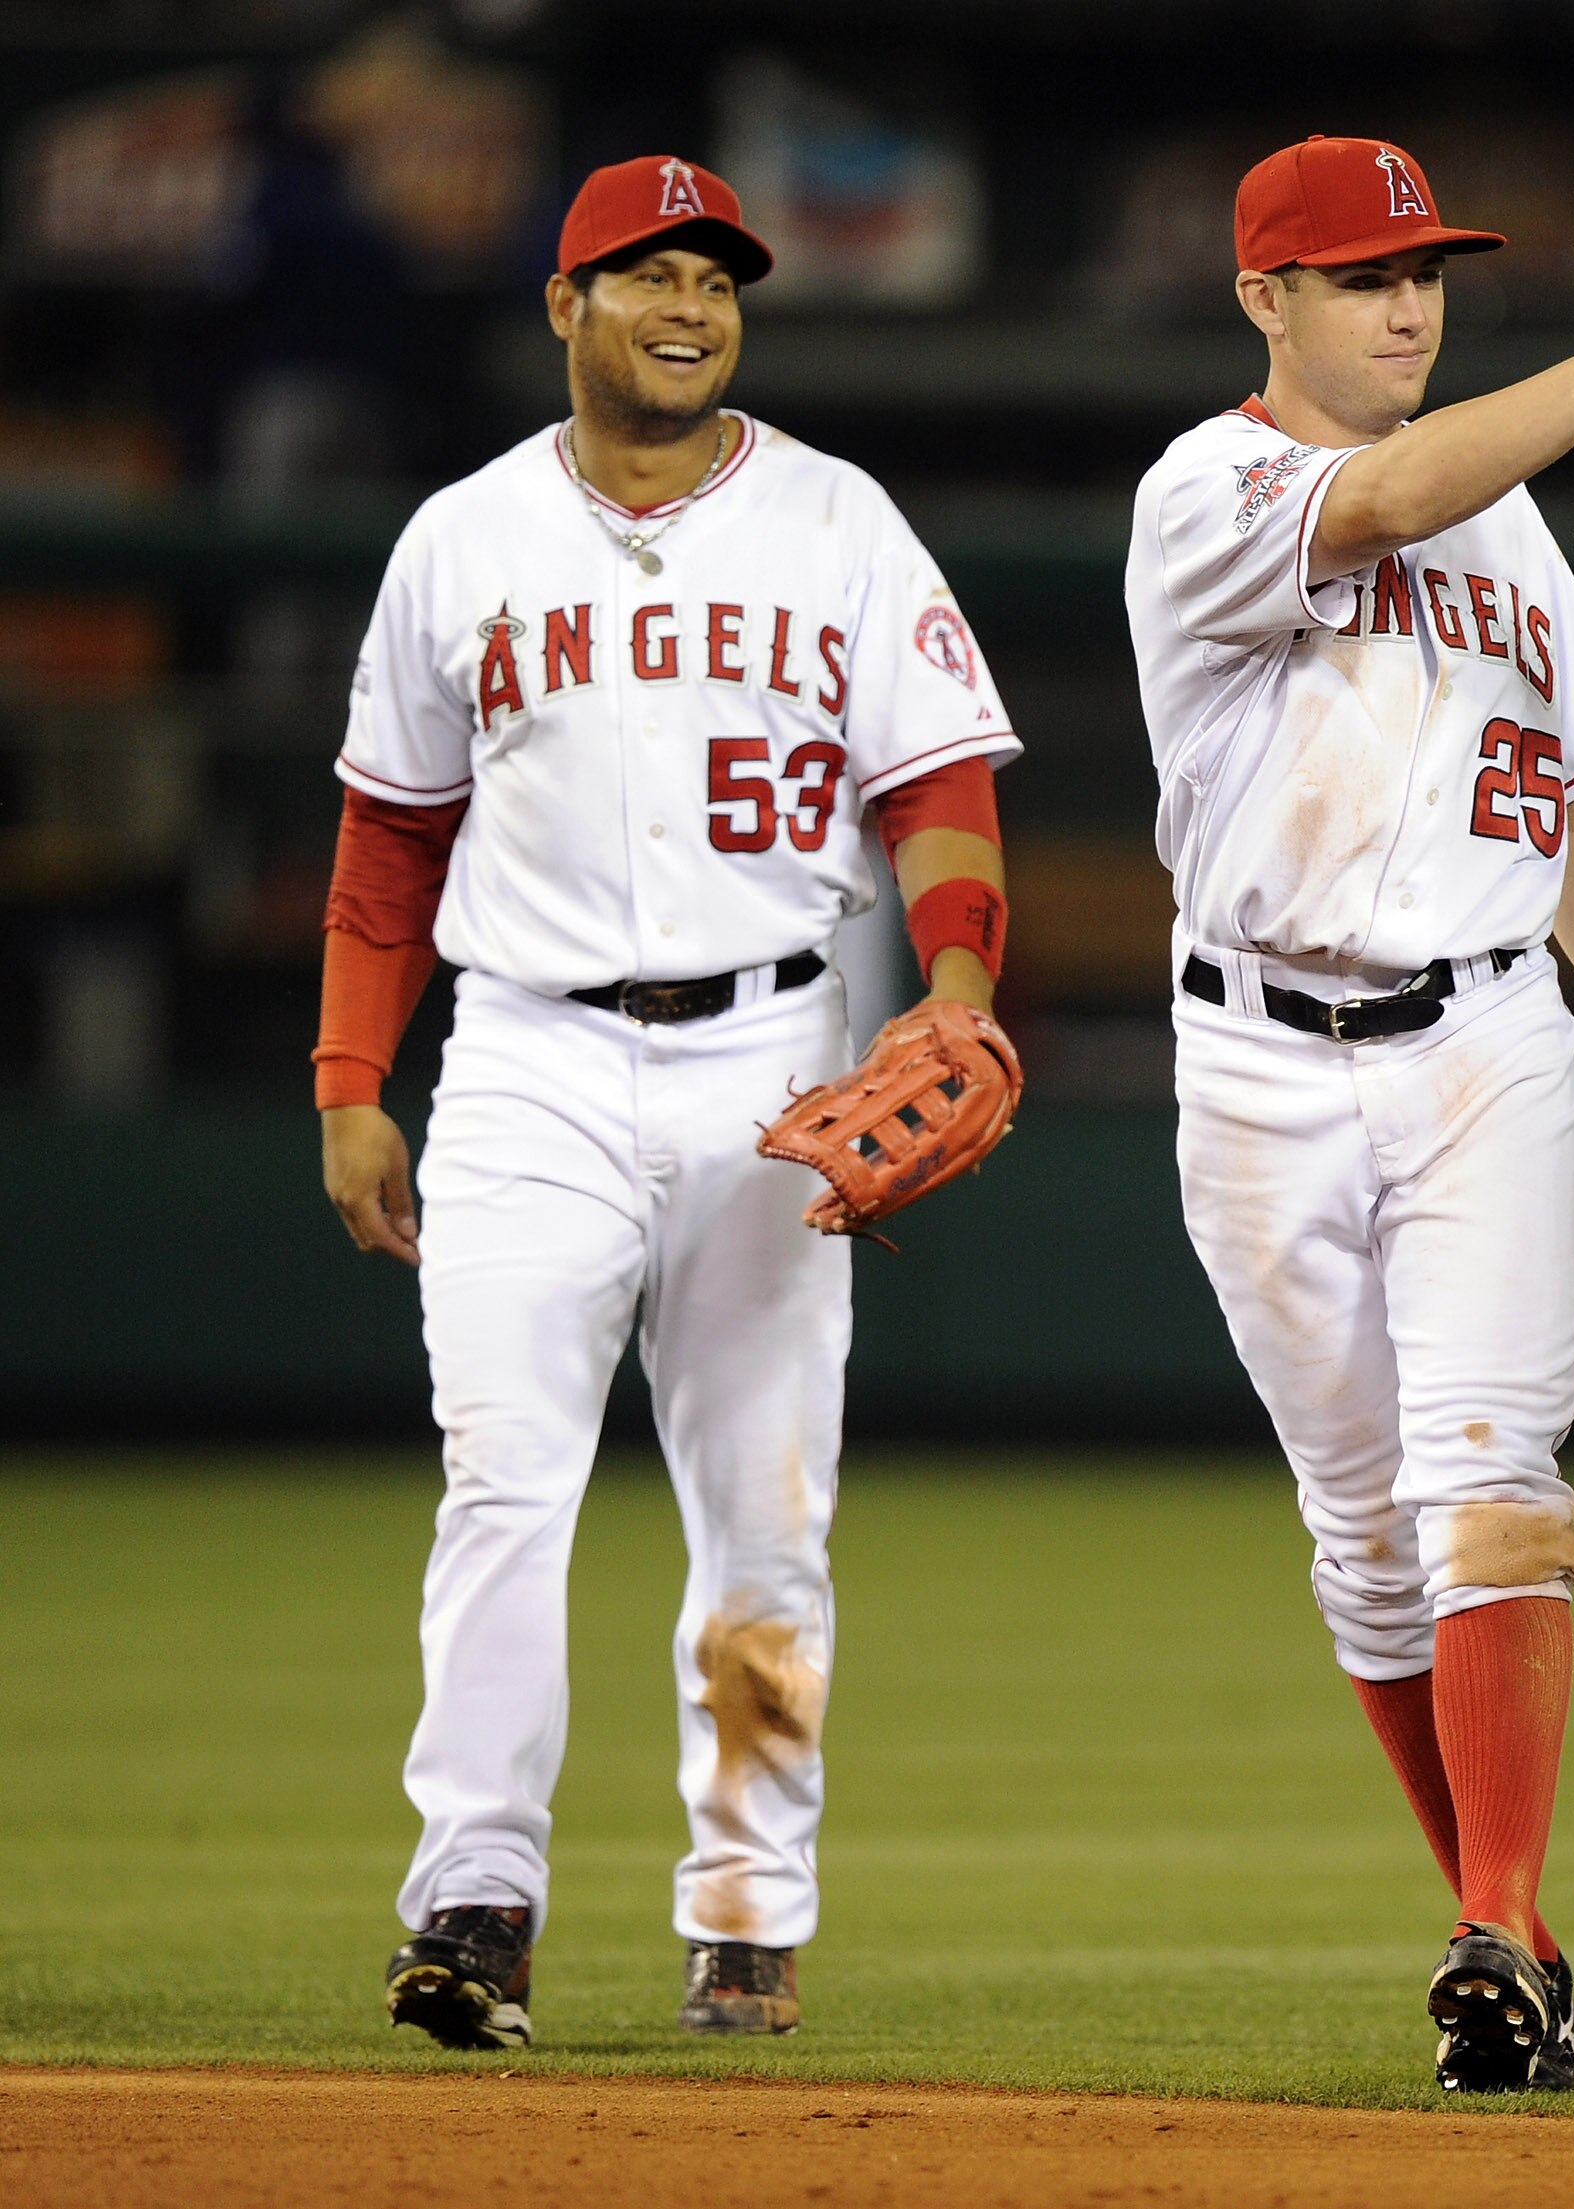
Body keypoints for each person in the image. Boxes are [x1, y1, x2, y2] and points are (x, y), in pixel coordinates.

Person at [317, 154, 1019, 2047]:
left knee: (766, 1513)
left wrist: (952, 990)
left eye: (718, 274)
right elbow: (390, 844)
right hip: (526, 1059)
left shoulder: (838, 521)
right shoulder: (461, 538)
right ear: (565, 307)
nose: (691, 303)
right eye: (646, 273)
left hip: (774, 1062)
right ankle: (473, 1898)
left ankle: (748, 1909)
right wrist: (347, 1080)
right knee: (503, 1487)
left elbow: (942, 785)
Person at [1122, 133, 1574, 2092]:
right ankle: (1529, 1944)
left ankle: (1490, 1928)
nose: (1407, 305)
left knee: (1495, 1488)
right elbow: (1398, 487)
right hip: (1253, 1059)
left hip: (1486, 1046)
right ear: (1266, 298)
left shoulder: (1510, 526)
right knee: (1364, 1538)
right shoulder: (1210, 488)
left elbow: (1570, 793)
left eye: (1426, 273)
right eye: (1358, 277)